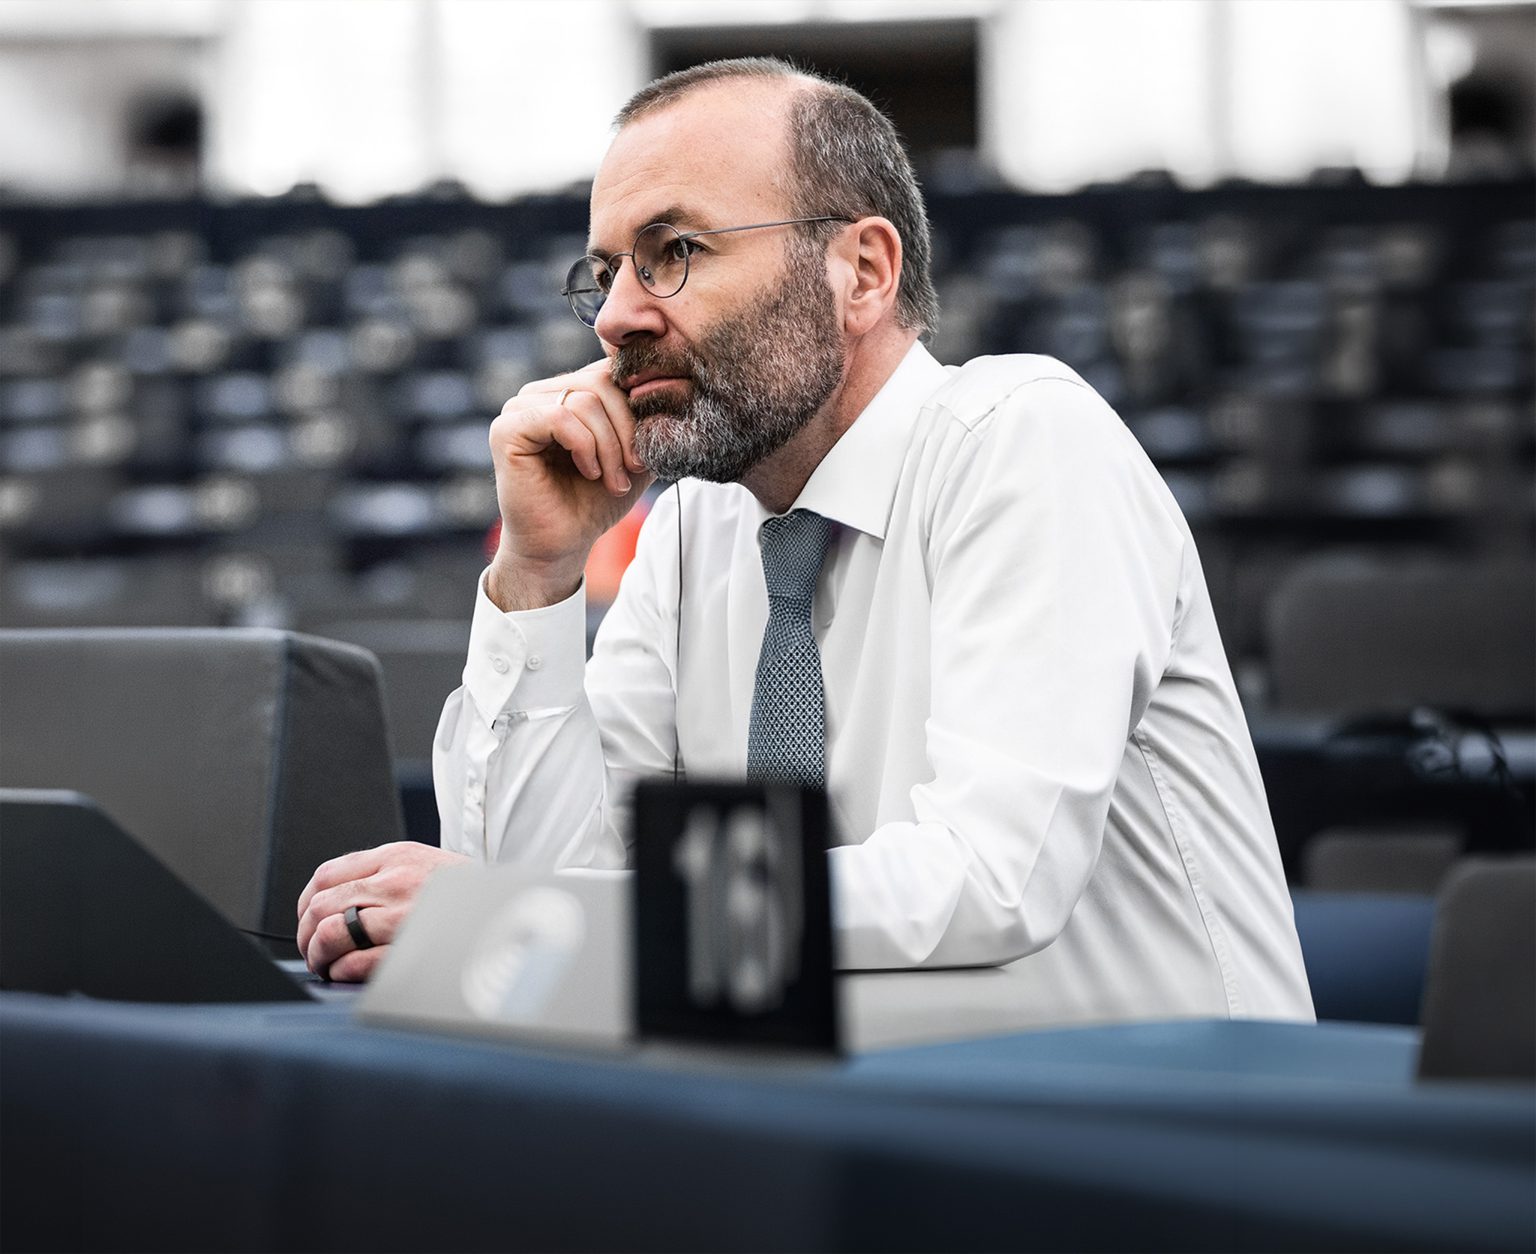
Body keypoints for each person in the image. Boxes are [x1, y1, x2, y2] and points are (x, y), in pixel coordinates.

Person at [298, 57, 1314, 1026]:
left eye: (675, 254)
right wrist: (540, 573)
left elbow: (985, 885)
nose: (612, 318)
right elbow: (544, 898)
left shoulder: (1026, 438)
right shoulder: (697, 523)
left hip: (1178, 1141)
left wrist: (550, 917)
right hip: (864, 1139)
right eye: (604, 273)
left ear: (861, 272)